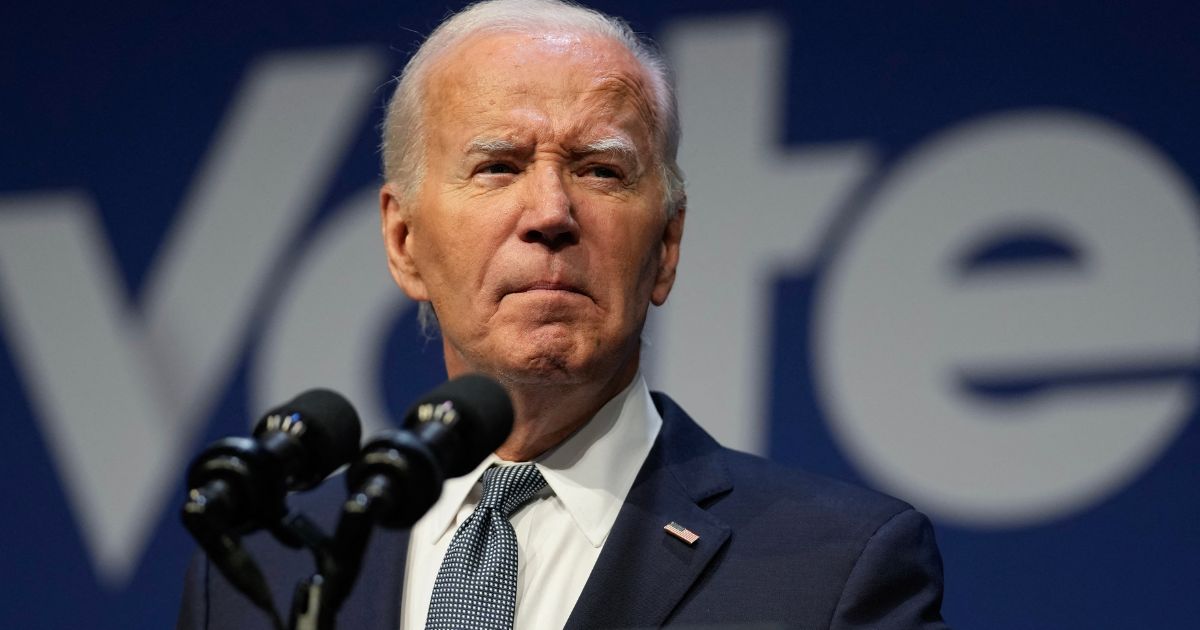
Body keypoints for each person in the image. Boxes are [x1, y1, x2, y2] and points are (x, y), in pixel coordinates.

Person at [179, 1, 949, 628]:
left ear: (668, 245)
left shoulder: (835, 570)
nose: (550, 211)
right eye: (498, 166)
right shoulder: (261, 574)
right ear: (403, 239)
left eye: (600, 170)